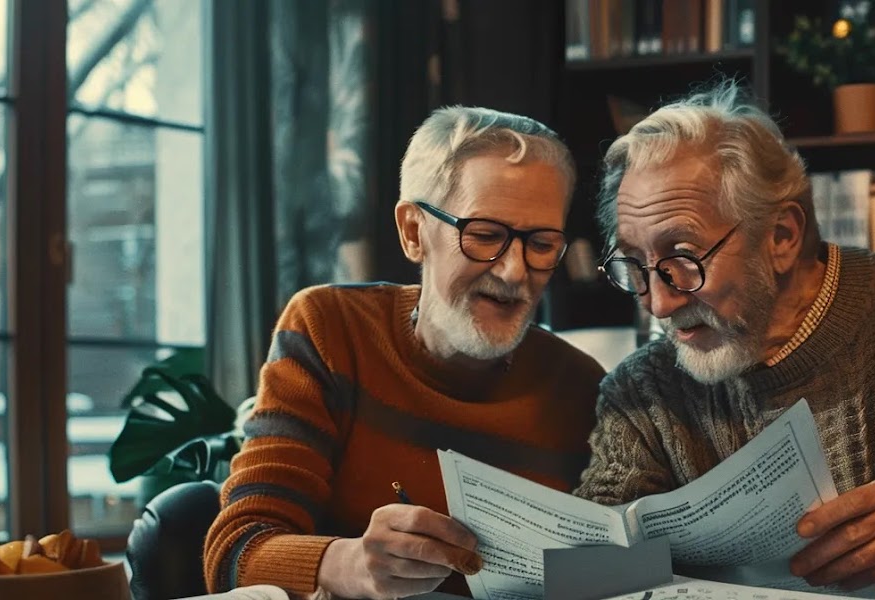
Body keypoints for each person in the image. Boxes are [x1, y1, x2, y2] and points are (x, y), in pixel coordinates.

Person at [574, 82, 875, 595]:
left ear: (781, 237)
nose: (658, 304)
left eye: (682, 258)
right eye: (634, 265)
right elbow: (592, 552)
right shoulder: (642, 391)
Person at [205, 107, 606, 599]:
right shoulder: (331, 330)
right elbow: (234, 554)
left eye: (542, 244)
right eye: (484, 236)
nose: (515, 272)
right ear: (414, 231)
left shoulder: (581, 386)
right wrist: (349, 563)